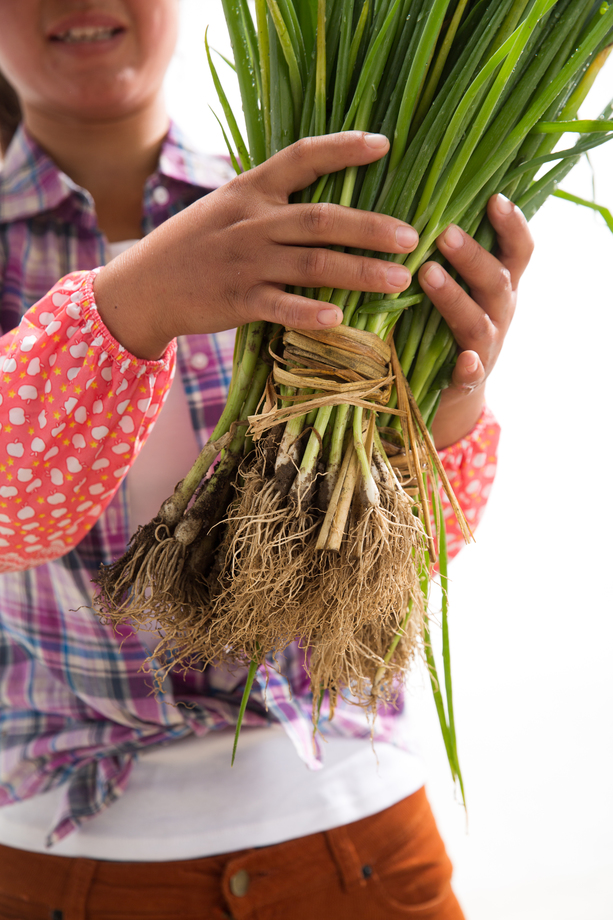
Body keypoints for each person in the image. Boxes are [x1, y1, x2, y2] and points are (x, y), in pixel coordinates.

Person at [0, 2, 534, 918]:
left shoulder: (312, 209)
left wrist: (442, 410)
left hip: (358, 842)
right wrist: (134, 305)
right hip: (66, 860)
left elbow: (412, 553)